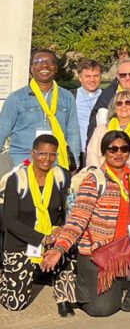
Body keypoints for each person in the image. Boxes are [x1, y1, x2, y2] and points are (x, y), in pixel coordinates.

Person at [48, 131, 130, 317]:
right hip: (101, 251)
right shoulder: (94, 180)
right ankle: (93, 284)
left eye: (124, 149)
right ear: (104, 152)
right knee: (102, 309)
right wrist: (60, 248)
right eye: (113, 149)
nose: (118, 153)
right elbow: (78, 218)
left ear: (129, 152)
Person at [1, 135, 75, 316]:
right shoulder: (16, 179)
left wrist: (60, 231)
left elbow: (67, 211)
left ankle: (63, 296)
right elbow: (9, 220)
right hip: (22, 242)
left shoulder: (61, 177)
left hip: (52, 236)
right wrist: (41, 238)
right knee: (15, 304)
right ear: (33, 153)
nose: (47, 159)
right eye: (42, 154)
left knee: (66, 245)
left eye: (52, 154)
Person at [0, 49, 81, 171]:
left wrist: (76, 163)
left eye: (50, 62)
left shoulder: (67, 97)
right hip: (23, 161)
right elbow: (2, 131)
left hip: (55, 161)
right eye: (38, 62)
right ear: (31, 68)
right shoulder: (17, 98)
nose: (44, 65)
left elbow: (73, 132)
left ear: (56, 68)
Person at [85, 91, 130, 171]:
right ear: (114, 108)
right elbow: (91, 154)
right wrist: (99, 172)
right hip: (101, 173)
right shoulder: (100, 129)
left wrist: (125, 172)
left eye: (128, 102)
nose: (123, 106)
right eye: (119, 103)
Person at [73, 58, 103, 158]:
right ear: (80, 78)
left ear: (101, 77)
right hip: (78, 152)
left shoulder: (108, 97)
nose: (92, 80)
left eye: (96, 76)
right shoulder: (71, 97)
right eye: (88, 76)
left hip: (101, 152)